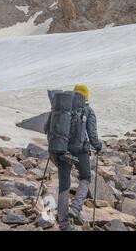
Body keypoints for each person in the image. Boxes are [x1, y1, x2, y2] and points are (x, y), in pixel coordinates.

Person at [52, 84, 102, 231]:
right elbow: (92, 133)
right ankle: (75, 207)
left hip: (62, 149)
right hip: (80, 150)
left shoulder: (62, 108)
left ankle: (64, 225)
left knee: (64, 185)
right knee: (85, 177)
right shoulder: (88, 110)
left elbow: (48, 127)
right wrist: (98, 146)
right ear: (86, 96)